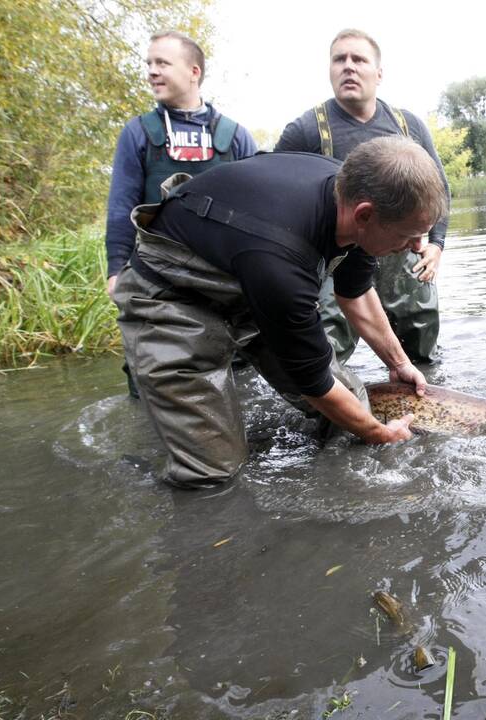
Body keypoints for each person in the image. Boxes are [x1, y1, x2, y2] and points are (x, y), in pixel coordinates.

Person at [111, 136, 448, 489]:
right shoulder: (283, 262)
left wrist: (399, 363)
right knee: (213, 472)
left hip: (249, 278)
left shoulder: (356, 194)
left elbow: (356, 292)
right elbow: (315, 383)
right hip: (170, 296)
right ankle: (144, 481)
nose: (416, 247)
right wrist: (380, 435)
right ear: (364, 214)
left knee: (354, 404)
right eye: (410, 236)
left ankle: (333, 475)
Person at [273, 28, 449, 365]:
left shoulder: (408, 125)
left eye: (359, 59)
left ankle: (425, 401)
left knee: (421, 343)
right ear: (329, 70)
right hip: (334, 257)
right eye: (340, 59)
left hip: (403, 255)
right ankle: (333, 408)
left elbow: (439, 187)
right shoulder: (307, 129)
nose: (348, 67)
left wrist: (437, 243)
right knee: (325, 348)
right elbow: (278, 196)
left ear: (378, 73)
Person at [104, 30, 258, 396]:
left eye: (162, 63)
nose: (152, 72)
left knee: (238, 381)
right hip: (156, 282)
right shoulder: (138, 133)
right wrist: (115, 270)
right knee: (153, 380)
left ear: (193, 72)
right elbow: (121, 206)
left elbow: (258, 213)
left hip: (224, 283)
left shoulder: (236, 137)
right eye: (149, 64)